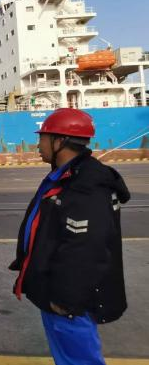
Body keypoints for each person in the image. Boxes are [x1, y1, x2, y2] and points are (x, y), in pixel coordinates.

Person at [9, 108, 130, 365]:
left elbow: (87, 247)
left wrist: (65, 300)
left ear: (60, 141)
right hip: (56, 291)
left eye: (42, 138)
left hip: (68, 302)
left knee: (79, 361)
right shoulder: (66, 177)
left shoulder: (85, 186)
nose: (37, 145)